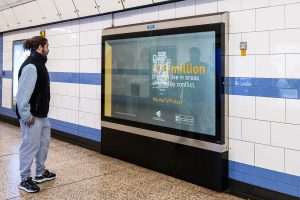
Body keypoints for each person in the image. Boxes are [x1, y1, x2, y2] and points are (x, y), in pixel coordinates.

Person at [16, 36, 56, 193]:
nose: (48, 49)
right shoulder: (31, 66)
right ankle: (25, 178)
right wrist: (26, 116)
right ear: (40, 47)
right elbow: (22, 95)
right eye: (47, 46)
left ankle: (40, 172)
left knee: (43, 143)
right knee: (29, 146)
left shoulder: (40, 64)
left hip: (41, 114)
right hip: (32, 115)